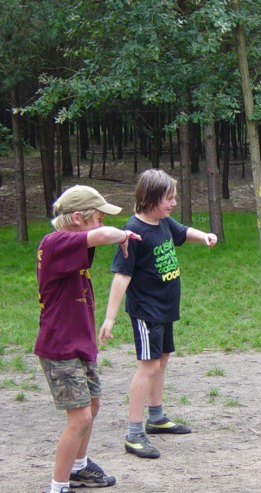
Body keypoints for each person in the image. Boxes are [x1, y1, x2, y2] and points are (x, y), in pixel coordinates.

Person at [36, 185, 141, 493]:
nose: (100, 223)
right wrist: (122, 233)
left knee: (92, 406)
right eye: (96, 217)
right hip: (59, 346)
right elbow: (104, 235)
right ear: (78, 218)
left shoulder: (71, 245)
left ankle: (78, 467)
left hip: (79, 342)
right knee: (79, 417)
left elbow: (97, 236)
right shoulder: (55, 243)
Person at [99, 169, 217, 459]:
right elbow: (121, 276)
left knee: (161, 361)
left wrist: (203, 237)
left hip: (165, 309)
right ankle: (134, 433)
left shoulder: (162, 221)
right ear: (150, 198)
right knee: (148, 366)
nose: (174, 202)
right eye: (169, 198)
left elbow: (181, 232)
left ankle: (156, 417)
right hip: (147, 312)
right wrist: (109, 319)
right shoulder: (133, 233)